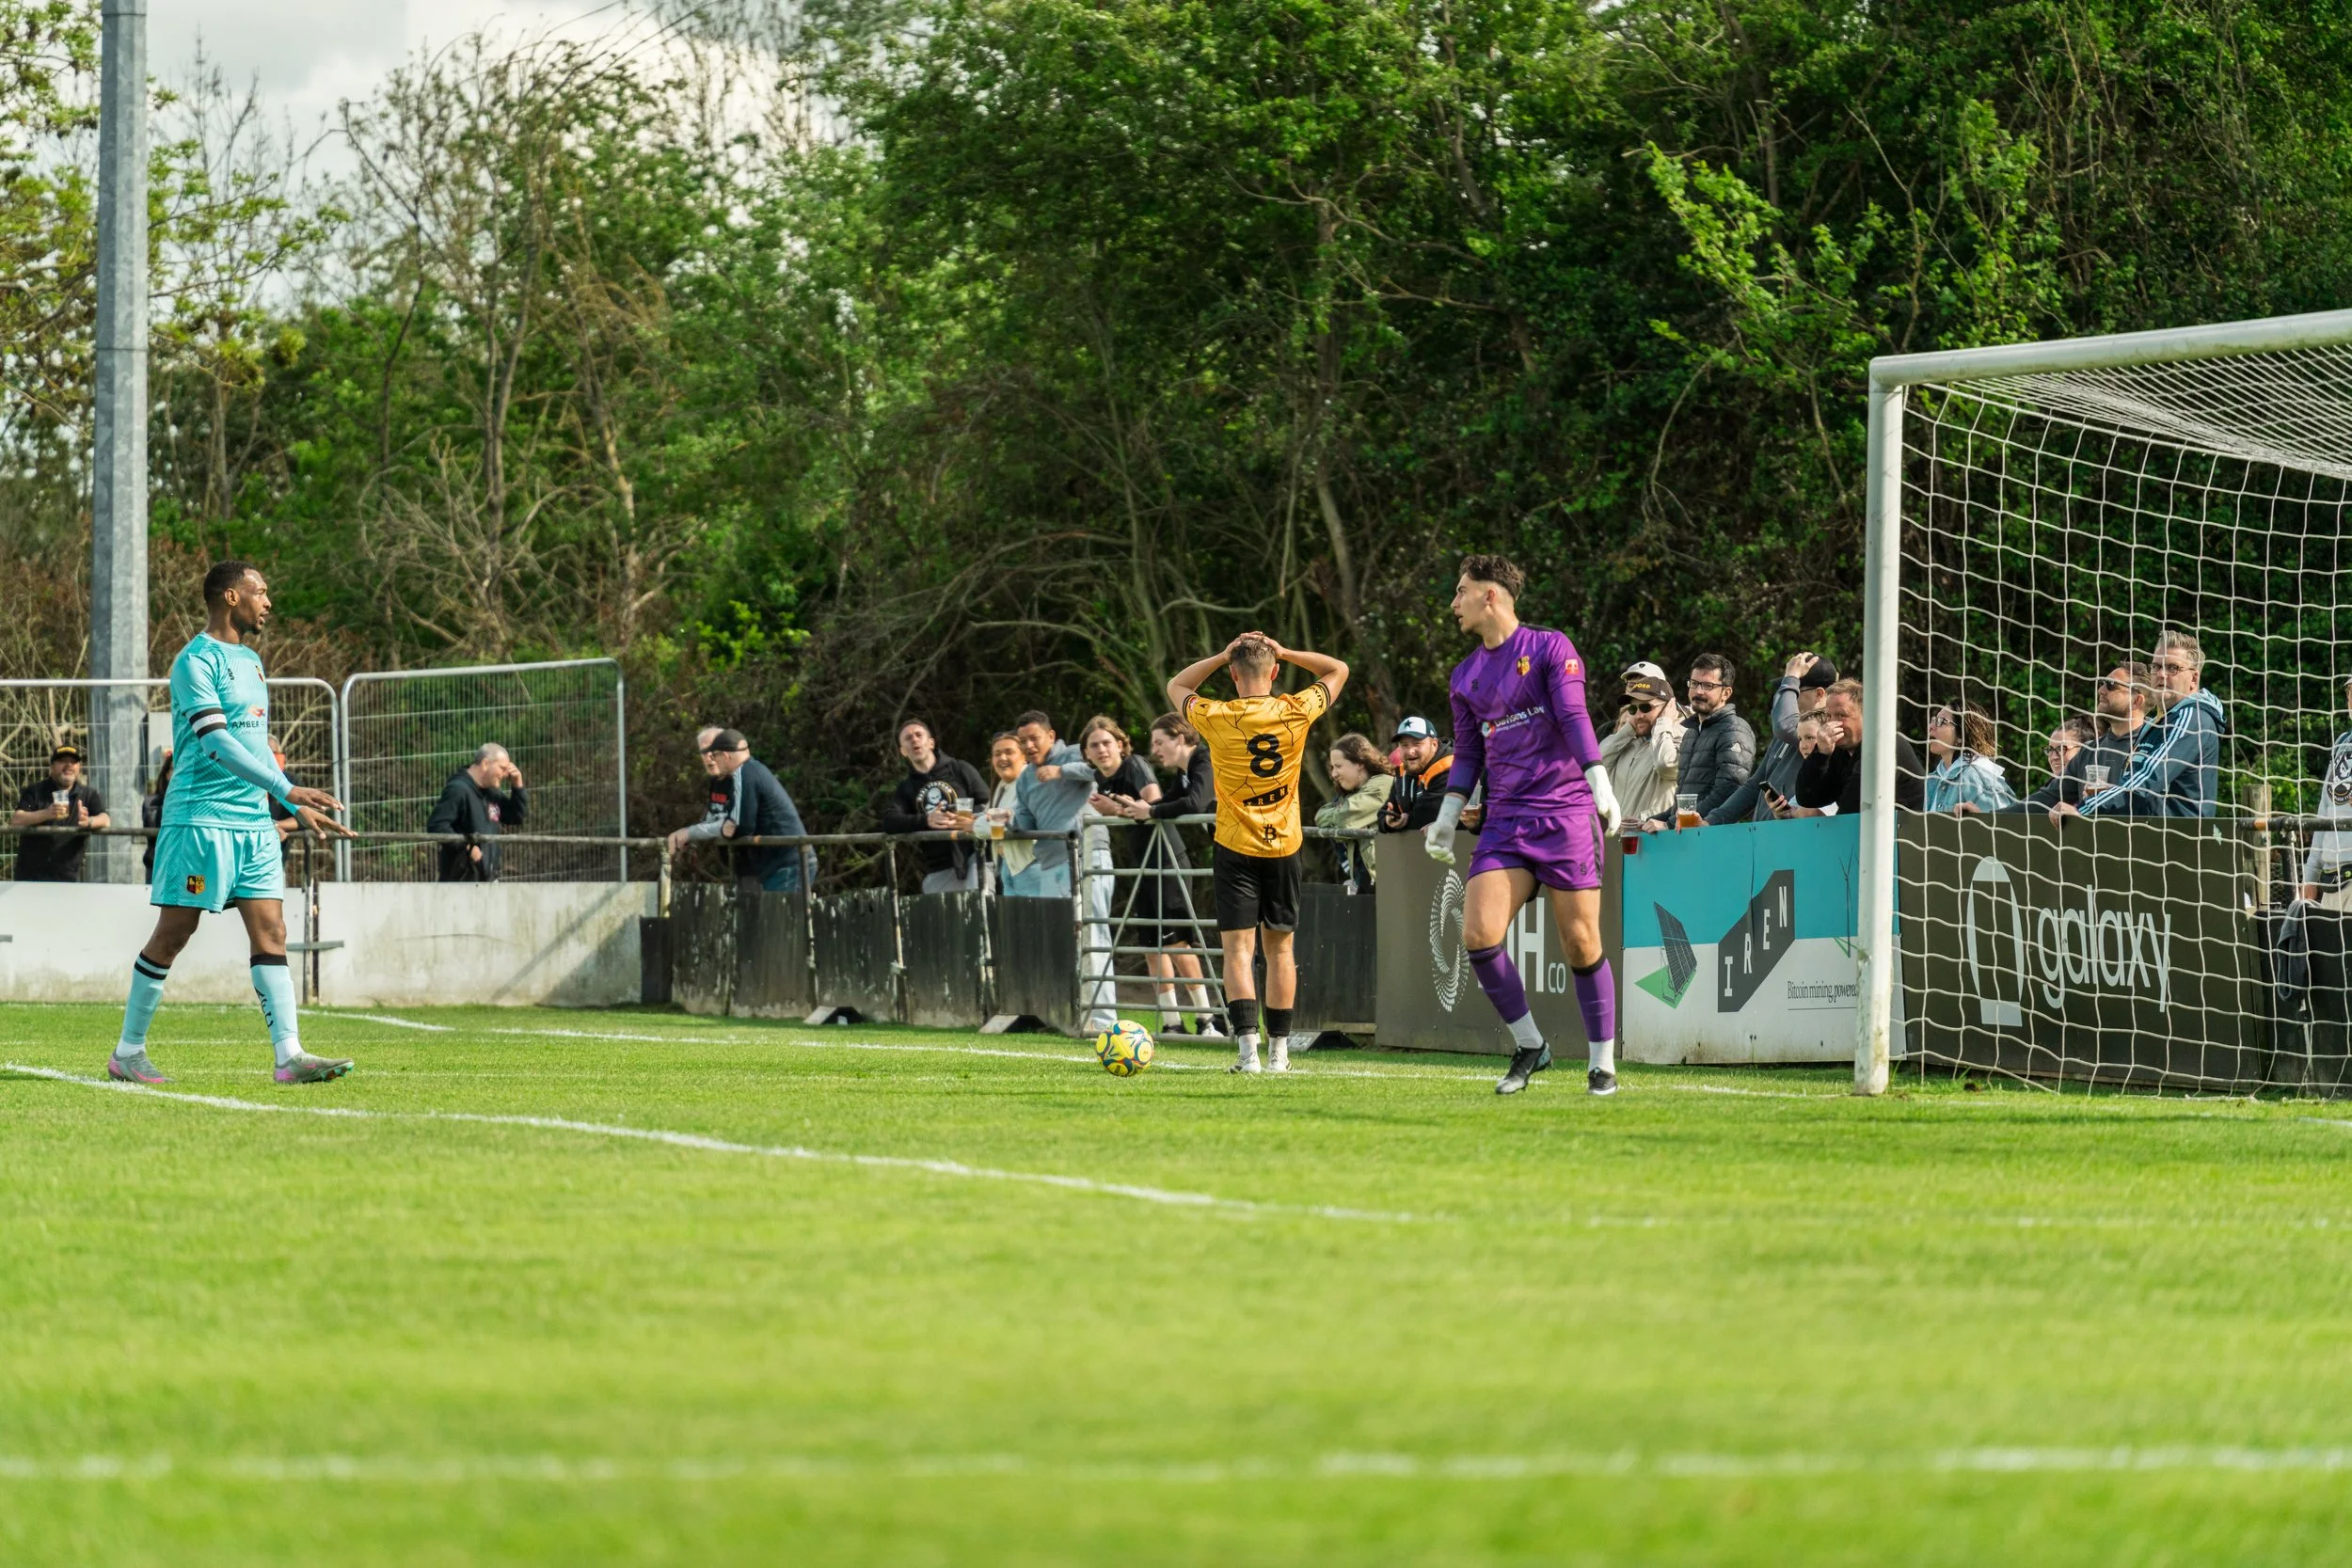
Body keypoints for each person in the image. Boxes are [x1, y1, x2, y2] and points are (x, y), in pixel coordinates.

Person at [106, 562, 357, 1086]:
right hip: (201, 822)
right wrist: (288, 790)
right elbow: (217, 743)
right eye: (259, 591)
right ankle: (128, 1052)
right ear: (230, 596)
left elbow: (252, 745)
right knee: (175, 933)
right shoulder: (195, 661)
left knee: (273, 931)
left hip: (254, 825)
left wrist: (283, 800)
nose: (268, 602)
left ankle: (289, 1056)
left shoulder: (252, 660)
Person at [1422, 555, 1626, 1097]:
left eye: (1461, 591)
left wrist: (1599, 782)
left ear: (1490, 595)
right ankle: (1532, 1044)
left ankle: (1602, 1063)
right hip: (1507, 818)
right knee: (1478, 934)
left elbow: (1574, 717)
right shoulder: (1464, 675)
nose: (1454, 603)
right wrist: (1447, 815)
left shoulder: (1551, 647)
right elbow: (1469, 753)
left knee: (1581, 942)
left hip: (1565, 812)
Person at [1168, 630, 1348, 1074]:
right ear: (1275, 672)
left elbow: (1178, 685)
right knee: (1281, 951)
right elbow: (1337, 669)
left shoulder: (1216, 715)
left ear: (1232, 675)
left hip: (1234, 846)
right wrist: (1287, 650)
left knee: (1237, 952)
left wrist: (1219, 655)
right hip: (1284, 845)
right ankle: (1279, 1054)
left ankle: (1247, 1054)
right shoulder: (1295, 710)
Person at [1091, 714, 1221, 1035]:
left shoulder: (1202, 760)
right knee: (1152, 944)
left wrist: (1135, 810)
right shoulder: (1183, 772)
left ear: (1180, 738)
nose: (1155, 750)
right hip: (1145, 864)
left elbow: (1187, 804)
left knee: (1177, 941)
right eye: (1093, 746)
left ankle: (1207, 1019)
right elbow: (1165, 804)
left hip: (1168, 860)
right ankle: (1171, 1022)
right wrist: (1127, 809)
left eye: (1159, 742)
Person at [2065, 631, 2225, 820]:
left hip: (2180, 838)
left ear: (2194, 679)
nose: (2161, 674)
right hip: (2153, 834)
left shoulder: (2192, 718)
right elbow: (2149, 793)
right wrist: (2110, 792)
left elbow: (2146, 783)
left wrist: (2083, 810)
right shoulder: (2159, 722)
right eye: (2156, 666)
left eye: (2172, 668)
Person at [666, 727, 815, 892]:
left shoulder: (744, 773)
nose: (711, 758)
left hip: (786, 863)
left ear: (725, 755)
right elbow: (720, 821)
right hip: (765, 868)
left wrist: (697, 832)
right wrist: (696, 833)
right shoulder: (732, 776)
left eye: (714, 754)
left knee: (781, 910)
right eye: (705, 752)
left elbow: (741, 825)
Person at [1707, 653, 1838, 824]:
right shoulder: (1787, 734)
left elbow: (1784, 724)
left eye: (1794, 691)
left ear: (1819, 694)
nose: (1787, 698)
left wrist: (1791, 677)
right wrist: (1711, 821)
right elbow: (1754, 786)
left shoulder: (1828, 734)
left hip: (1800, 836)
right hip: (1767, 834)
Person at [880, 719, 990, 893]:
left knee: (980, 905)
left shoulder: (959, 769)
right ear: (903, 751)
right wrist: (926, 820)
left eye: (919, 735)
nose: (914, 740)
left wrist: (964, 817)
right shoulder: (906, 788)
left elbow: (988, 803)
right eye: (908, 738)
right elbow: (890, 821)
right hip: (939, 866)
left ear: (931, 742)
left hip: (976, 854)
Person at [1642, 653, 1752, 830]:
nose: (1698, 691)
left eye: (1708, 685)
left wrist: (1669, 824)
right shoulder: (1691, 732)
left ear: (1726, 693)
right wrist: (1648, 822)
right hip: (1687, 835)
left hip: (1714, 836)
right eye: (1694, 683)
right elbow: (1684, 805)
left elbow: (1728, 792)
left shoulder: (1734, 730)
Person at [1790, 678, 1924, 816]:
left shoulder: (1884, 745)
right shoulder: (1840, 751)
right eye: (1829, 716)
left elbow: (1853, 807)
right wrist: (1821, 754)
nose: (1832, 724)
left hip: (1905, 827)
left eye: (1841, 715)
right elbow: (1808, 798)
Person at [1009, 711, 1091, 896]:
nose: (1029, 746)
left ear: (1051, 736)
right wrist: (1008, 820)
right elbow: (1026, 824)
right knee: (1057, 918)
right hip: (1050, 864)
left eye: (1034, 738)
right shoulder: (1025, 778)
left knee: (1090, 917)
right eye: (1022, 741)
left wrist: (1061, 771)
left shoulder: (1074, 753)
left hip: (1084, 856)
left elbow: (1102, 771)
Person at [425, 742, 528, 882]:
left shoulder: (492, 793)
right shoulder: (458, 790)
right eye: (502, 768)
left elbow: (516, 817)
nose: (506, 774)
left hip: (487, 878)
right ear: (485, 764)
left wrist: (518, 787)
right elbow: (437, 826)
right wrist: (467, 847)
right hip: (461, 881)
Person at [1597, 663, 1683, 828]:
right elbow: (1599, 763)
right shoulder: (1628, 739)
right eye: (1633, 708)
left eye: (1645, 707)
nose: (1638, 714)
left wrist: (1663, 723)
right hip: (1622, 836)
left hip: (1658, 837)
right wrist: (1630, 727)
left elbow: (1667, 765)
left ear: (1668, 707)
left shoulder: (1683, 735)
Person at [11, 743, 110, 882]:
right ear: (51, 767)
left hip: (68, 878)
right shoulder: (35, 791)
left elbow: (106, 819)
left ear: (79, 767)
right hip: (30, 878)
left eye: (73, 762)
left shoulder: (88, 795)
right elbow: (16, 820)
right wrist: (46, 813)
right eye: (62, 761)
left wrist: (89, 822)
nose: (68, 765)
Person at [1316, 733, 1393, 892]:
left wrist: (1339, 816)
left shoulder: (1383, 785)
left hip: (1386, 884)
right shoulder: (1351, 792)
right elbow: (1320, 816)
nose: (1334, 774)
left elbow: (1344, 821)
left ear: (1359, 763)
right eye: (1332, 768)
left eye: (1338, 766)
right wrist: (1340, 815)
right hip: (1364, 881)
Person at [2303, 678, 2352, 909]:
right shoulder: (2342, 742)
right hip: (2332, 879)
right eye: (2350, 692)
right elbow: (2325, 810)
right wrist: (2310, 875)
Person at [1922, 702, 2018, 814]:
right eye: (1933, 720)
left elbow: (2003, 823)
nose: (1930, 726)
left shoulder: (1978, 779)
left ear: (1961, 735)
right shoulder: (1933, 780)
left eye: (1941, 722)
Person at [1378, 716, 1454, 833]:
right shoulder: (1403, 771)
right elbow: (1384, 812)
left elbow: (1427, 816)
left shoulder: (1449, 768)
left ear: (1434, 744)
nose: (1410, 751)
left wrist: (1400, 822)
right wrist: (1388, 822)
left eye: (1417, 744)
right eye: (1404, 745)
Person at [982, 730, 1036, 894]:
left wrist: (973, 825)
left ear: (1024, 756)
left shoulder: (1030, 780)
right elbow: (988, 815)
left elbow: (1011, 820)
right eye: (997, 754)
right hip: (1009, 866)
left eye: (1009, 752)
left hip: (1032, 866)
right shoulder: (1002, 784)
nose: (1002, 758)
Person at [141, 747, 173, 882]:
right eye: (174, 769)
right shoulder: (151, 802)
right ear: (166, 774)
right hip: (157, 864)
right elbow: (152, 831)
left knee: (193, 894)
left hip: (188, 864)